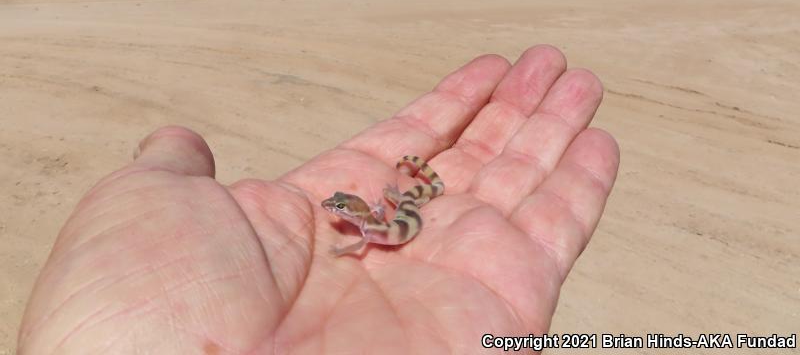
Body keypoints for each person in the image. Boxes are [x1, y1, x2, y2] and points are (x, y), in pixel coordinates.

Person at [17, 46, 619, 353]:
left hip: (404, 219)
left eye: (340, 210)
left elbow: (374, 233)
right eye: (340, 209)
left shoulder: (371, 229)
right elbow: (377, 225)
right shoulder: (371, 223)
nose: (336, 214)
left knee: (410, 202)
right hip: (399, 216)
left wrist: (379, 220)